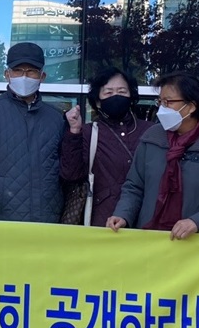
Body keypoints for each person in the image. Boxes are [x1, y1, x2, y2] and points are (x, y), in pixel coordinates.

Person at [107, 72, 199, 238]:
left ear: (191, 106)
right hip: (149, 239)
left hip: (196, 244)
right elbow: (134, 186)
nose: (162, 108)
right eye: (160, 101)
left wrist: (198, 222)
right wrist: (123, 215)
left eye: (168, 102)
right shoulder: (151, 139)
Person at [0, 43, 65, 224]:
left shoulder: (56, 117)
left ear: (42, 76)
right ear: (7, 74)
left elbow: (66, 169)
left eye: (31, 71)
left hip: (48, 217)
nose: (24, 76)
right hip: (2, 216)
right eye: (17, 70)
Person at [61, 68, 151, 228]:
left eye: (122, 91)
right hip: (104, 222)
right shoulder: (88, 132)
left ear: (131, 96)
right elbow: (71, 174)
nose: (116, 96)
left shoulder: (150, 131)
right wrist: (74, 131)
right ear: (97, 101)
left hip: (147, 221)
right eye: (108, 92)